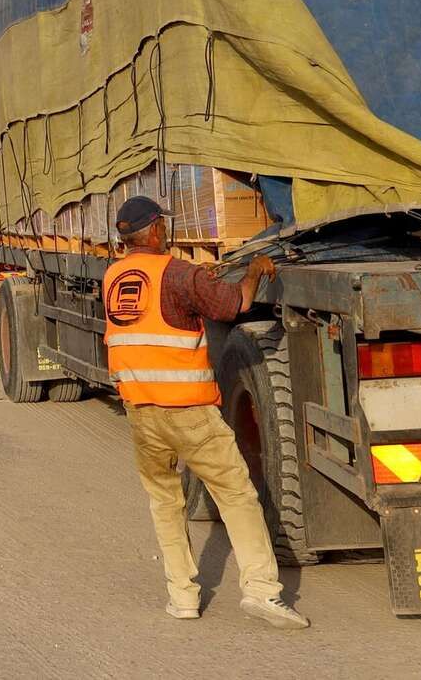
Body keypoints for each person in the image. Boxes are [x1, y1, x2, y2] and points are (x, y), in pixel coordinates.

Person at [103, 195, 309, 629]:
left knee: (165, 501)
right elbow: (232, 305)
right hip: (189, 412)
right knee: (236, 494)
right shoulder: (178, 273)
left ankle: (182, 597)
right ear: (156, 229)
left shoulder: (114, 276)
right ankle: (261, 592)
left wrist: (200, 279)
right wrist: (253, 272)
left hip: (142, 412)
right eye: (164, 226)